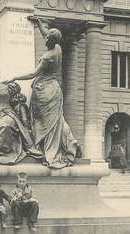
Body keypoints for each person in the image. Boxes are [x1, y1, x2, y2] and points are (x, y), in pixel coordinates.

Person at [5, 16, 78, 168]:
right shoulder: (58, 48)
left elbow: (32, 74)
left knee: (42, 122)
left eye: (47, 38)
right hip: (54, 89)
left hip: (43, 90)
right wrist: (38, 22)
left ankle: (44, 149)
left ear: (50, 41)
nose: (44, 39)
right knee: (55, 121)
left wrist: (15, 77)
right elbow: (47, 34)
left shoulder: (48, 56)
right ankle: (64, 145)